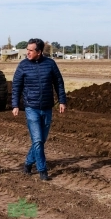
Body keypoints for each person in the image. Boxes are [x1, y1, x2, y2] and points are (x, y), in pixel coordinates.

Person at [11, 38, 66, 181]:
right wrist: (15, 105)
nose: (27, 53)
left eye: (30, 50)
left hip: (47, 107)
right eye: (27, 50)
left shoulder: (50, 64)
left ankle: (28, 163)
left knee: (41, 140)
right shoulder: (23, 65)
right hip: (31, 107)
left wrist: (62, 101)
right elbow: (16, 86)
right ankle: (42, 170)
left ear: (39, 52)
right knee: (37, 140)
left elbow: (59, 83)